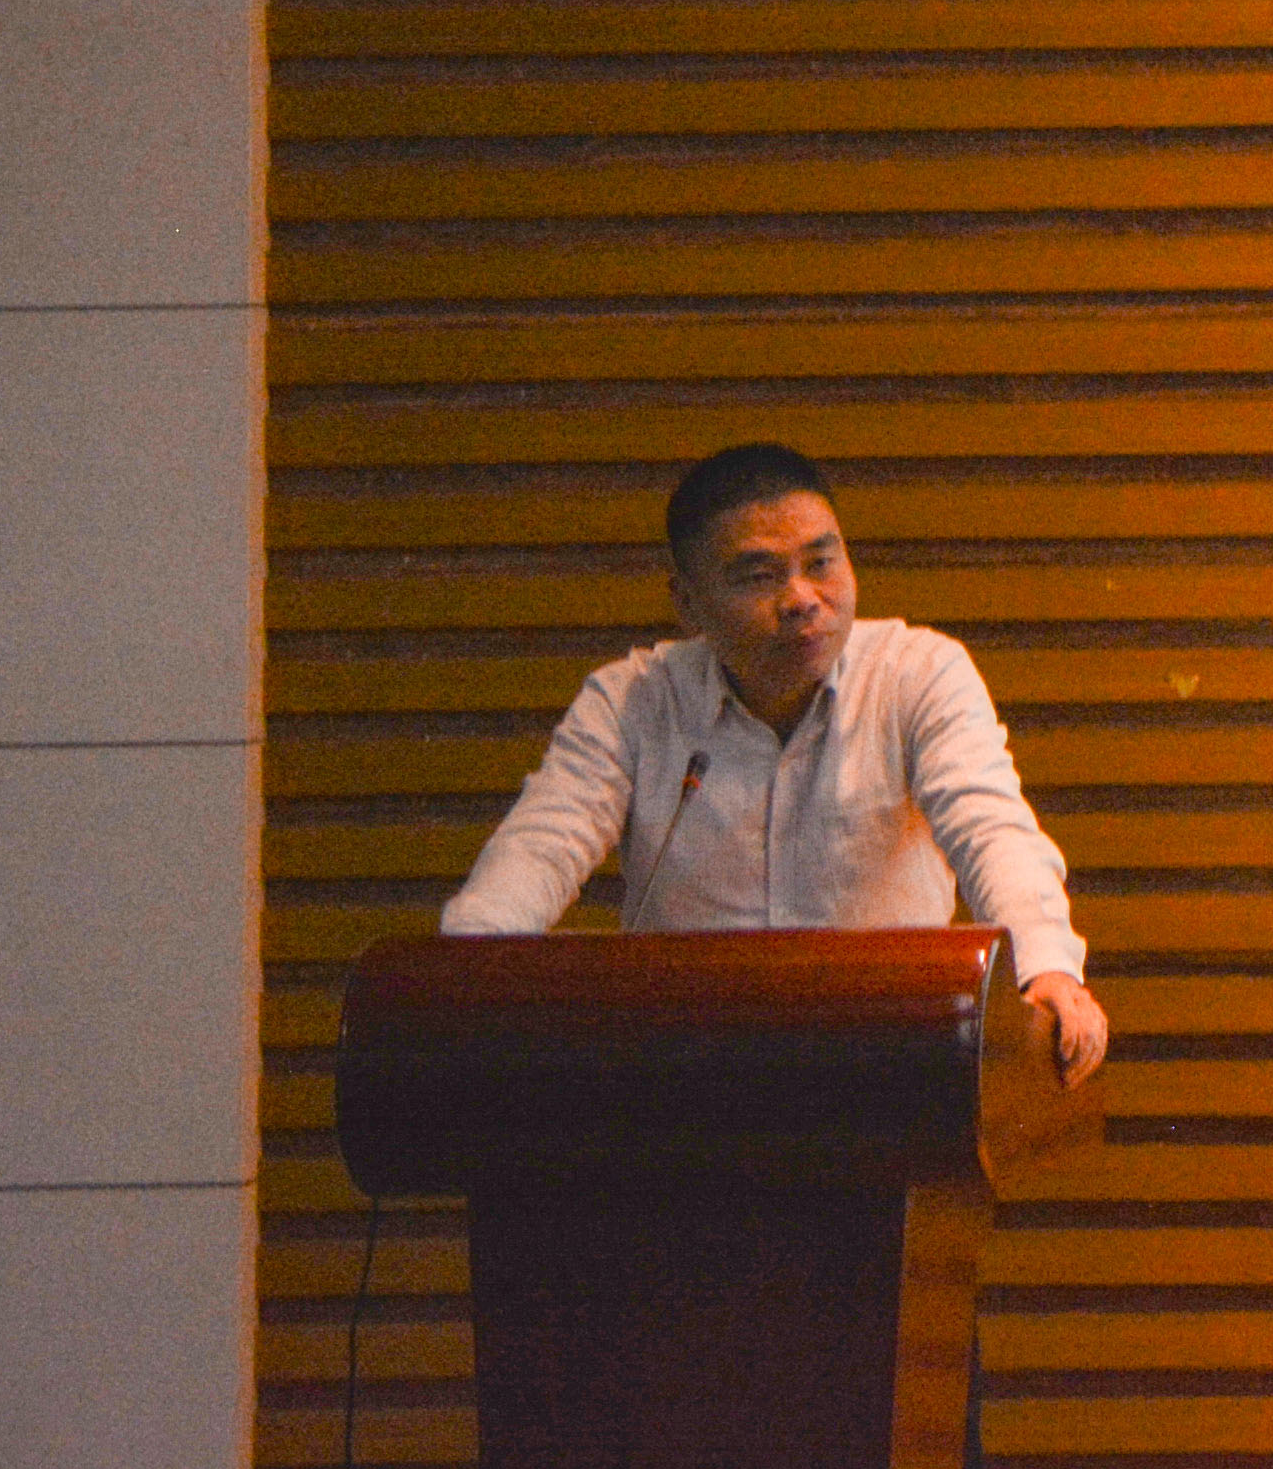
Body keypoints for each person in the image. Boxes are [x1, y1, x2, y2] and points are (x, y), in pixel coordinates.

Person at [442, 441, 1109, 1087]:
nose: (801, 598)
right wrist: (458, 981)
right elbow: (539, 849)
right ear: (688, 603)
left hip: (889, 1063)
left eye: (821, 562)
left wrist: (1045, 968)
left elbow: (992, 831)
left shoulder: (917, 674)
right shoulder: (635, 700)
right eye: (760, 576)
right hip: (685, 1072)